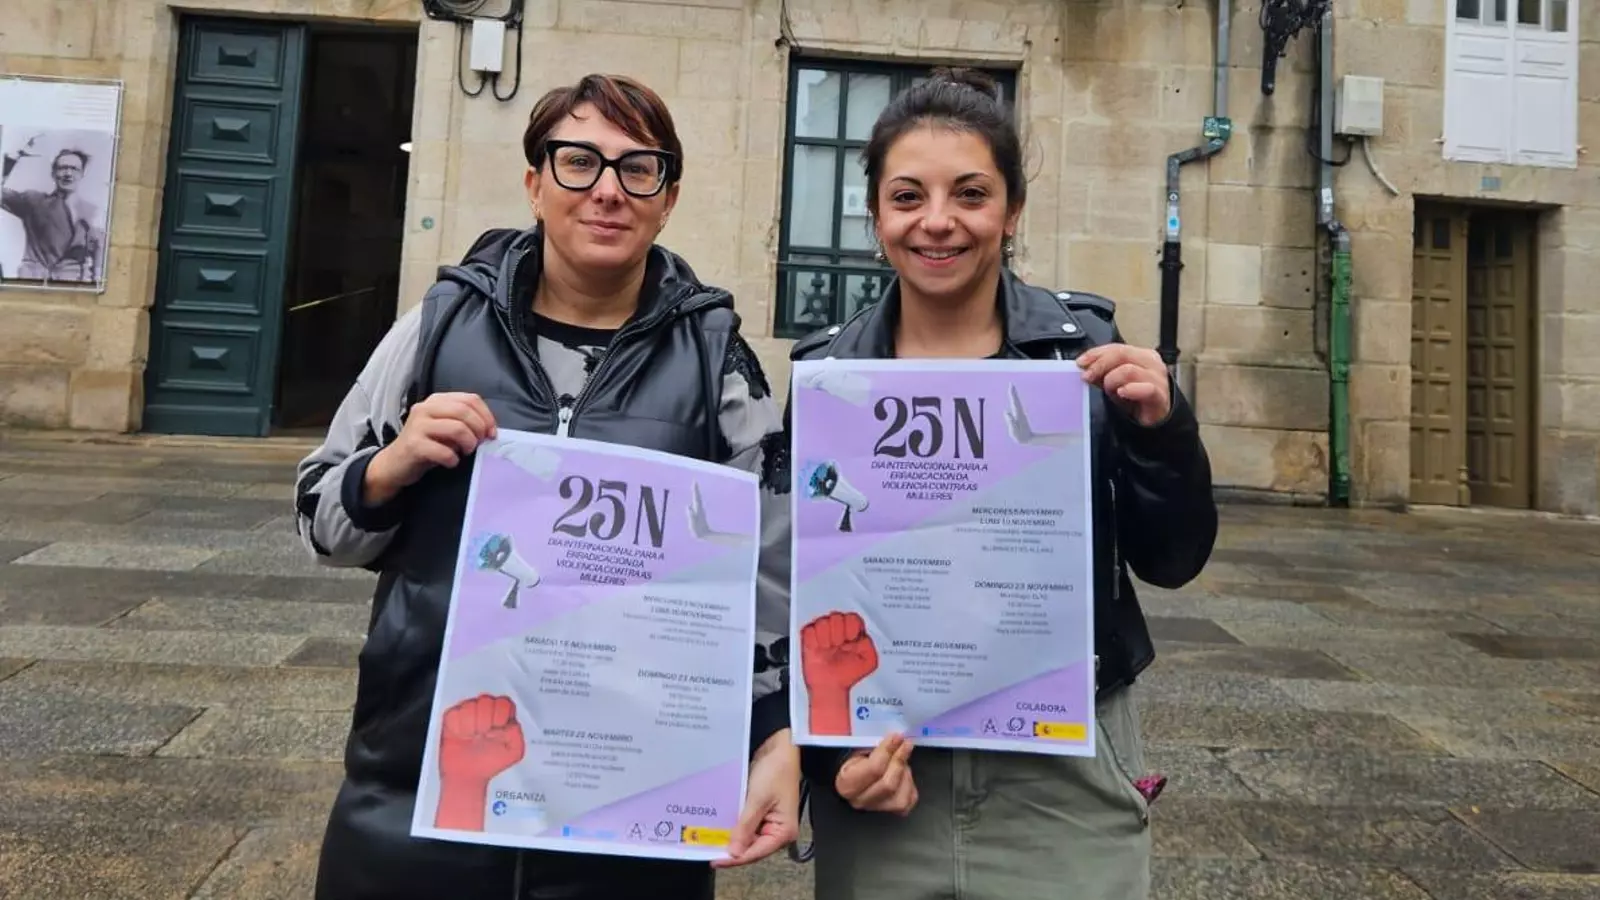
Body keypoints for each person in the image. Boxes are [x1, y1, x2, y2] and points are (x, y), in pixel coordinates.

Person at [293, 73, 799, 900]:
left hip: (632, 803)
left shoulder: (718, 362)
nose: (608, 190)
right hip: (417, 785)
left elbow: (771, 572)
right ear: (535, 183)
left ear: (668, 199)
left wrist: (773, 737)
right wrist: (390, 467)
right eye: (579, 162)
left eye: (639, 169)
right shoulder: (439, 327)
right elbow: (320, 521)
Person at [787, 68, 1218, 900]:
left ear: (1012, 210)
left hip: (1062, 775)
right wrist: (827, 755)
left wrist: (1162, 431)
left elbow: (1173, 559)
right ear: (876, 213)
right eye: (907, 196)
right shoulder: (827, 377)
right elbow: (792, 593)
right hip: (886, 765)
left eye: (970, 193)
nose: (936, 220)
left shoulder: (1082, 355)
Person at [1, 135, 104, 284]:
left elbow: (99, 252)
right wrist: (11, 158)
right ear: (53, 174)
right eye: (62, 168)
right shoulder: (33, 201)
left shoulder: (93, 212)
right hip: (33, 281)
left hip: (73, 284)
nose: (68, 174)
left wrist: (95, 281)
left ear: (82, 174)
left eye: (74, 169)